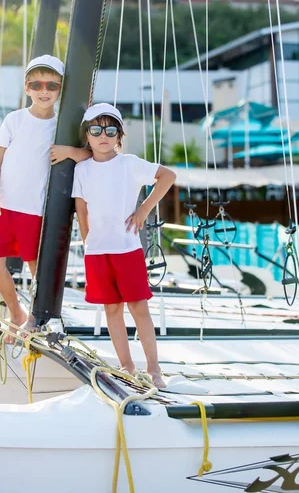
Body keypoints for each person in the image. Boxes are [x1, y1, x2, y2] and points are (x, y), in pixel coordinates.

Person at [0, 55, 91, 339]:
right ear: (27, 88)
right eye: (37, 84)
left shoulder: (62, 125)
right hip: (3, 205)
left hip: (34, 209)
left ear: (60, 89)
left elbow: (88, 154)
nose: (44, 90)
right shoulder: (14, 119)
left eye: (52, 85)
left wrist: (68, 151)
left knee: (35, 266)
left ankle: (36, 317)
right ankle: (15, 312)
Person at [72, 103, 176, 389]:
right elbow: (81, 209)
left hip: (127, 249)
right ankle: (127, 367)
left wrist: (143, 209)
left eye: (110, 129)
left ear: (119, 135)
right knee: (112, 310)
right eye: (95, 129)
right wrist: (87, 239)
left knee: (138, 307)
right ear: (87, 136)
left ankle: (154, 368)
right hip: (97, 252)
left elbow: (168, 176)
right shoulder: (81, 170)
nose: (102, 135)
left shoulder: (129, 164)